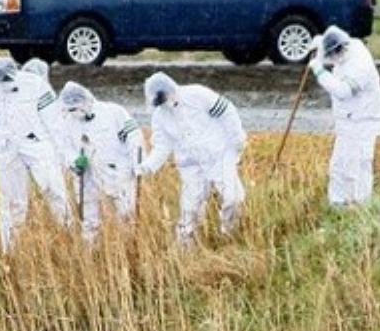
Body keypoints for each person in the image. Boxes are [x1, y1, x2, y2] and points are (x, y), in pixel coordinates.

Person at [0, 56, 72, 251]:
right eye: (0, 82)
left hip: (37, 143)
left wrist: (63, 152)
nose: (4, 86)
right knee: (12, 201)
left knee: (53, 189)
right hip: (8, 148)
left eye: (7, 81)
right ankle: (9, 248)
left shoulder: (35, 85)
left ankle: (68, 234)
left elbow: (54, 120)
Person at [137, 71, 247, 246]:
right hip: (190, 164)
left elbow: (227, 112)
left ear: (171, 90)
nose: (165, 104)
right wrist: (148, 166)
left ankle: (229, 236)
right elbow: (162, 146)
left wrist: (237, 140)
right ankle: (185, 248)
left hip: (219, 155)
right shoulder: (159, 116)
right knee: (190, 208)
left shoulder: (198, 94)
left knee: (232, 198)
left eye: (165, 98)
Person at [309, 25, 380, 207]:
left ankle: (359, 204)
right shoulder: (348, 45)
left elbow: (343, 91)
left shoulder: (360, 66)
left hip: (364, 119)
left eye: (332, 57)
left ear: (340, 51)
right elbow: (326, 42)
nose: (333, 61)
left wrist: (320, 72)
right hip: (349, 119)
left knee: (358, 164)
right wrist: (318, 46)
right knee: (339, 163)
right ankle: (338, 202)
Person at [56, 81, 143, 240]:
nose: (72, 112)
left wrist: (137, 164)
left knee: (126, 215)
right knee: (89, 219)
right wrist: (75, 161)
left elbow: (134, 137)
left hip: (117, 172)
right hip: (87, 175)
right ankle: (90, 253)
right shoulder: (67, 123)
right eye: (69, 109)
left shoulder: (113, 112)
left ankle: (128, 248)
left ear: (85, 102)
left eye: (75, 108)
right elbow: (64, 148)